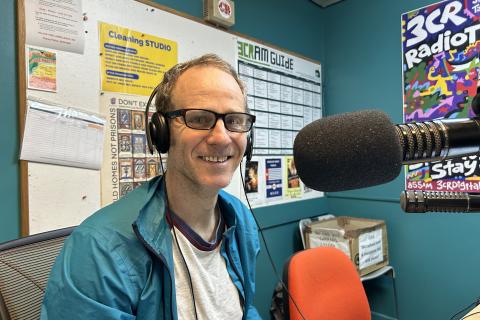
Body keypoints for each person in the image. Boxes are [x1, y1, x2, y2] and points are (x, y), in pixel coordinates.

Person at [41, 54, 261, 320]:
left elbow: (245, 309)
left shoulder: (241, 220)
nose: (221, 137)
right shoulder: (99, 250)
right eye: (200, 119)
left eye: (235, 120)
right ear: (161, 132)